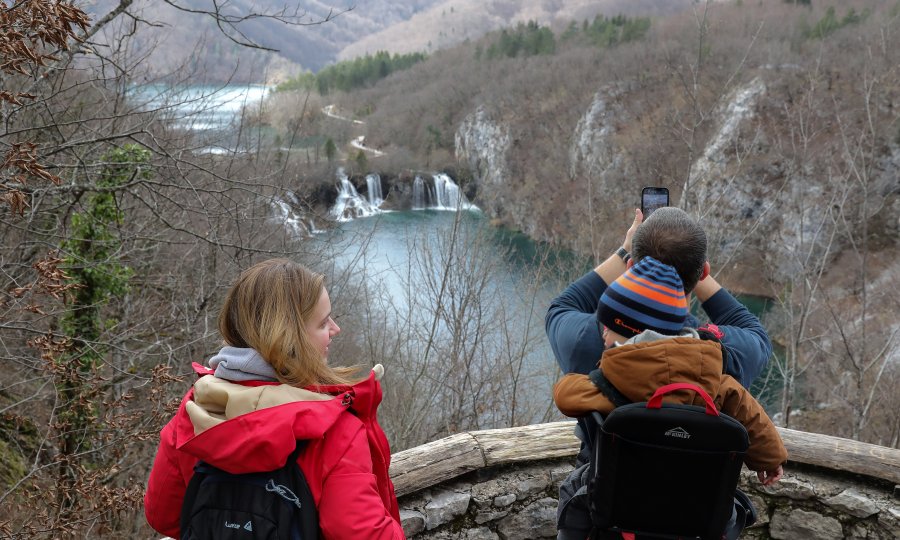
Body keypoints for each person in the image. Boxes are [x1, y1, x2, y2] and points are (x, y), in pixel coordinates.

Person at [546, 207, 774, 539]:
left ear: (630, 269)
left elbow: (562, 306)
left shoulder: (591, 340)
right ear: (701, 275)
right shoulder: (720, 354)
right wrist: (695, 274)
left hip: (608, 520)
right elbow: (754, 331)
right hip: (695, 521)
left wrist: (626, 250)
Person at [144, 259, 405, 539]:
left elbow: (163, 515)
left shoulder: (198, 407)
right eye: (322, 322)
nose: (335, 328)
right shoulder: (333, 430)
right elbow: (362, 533)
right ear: (288, 337)